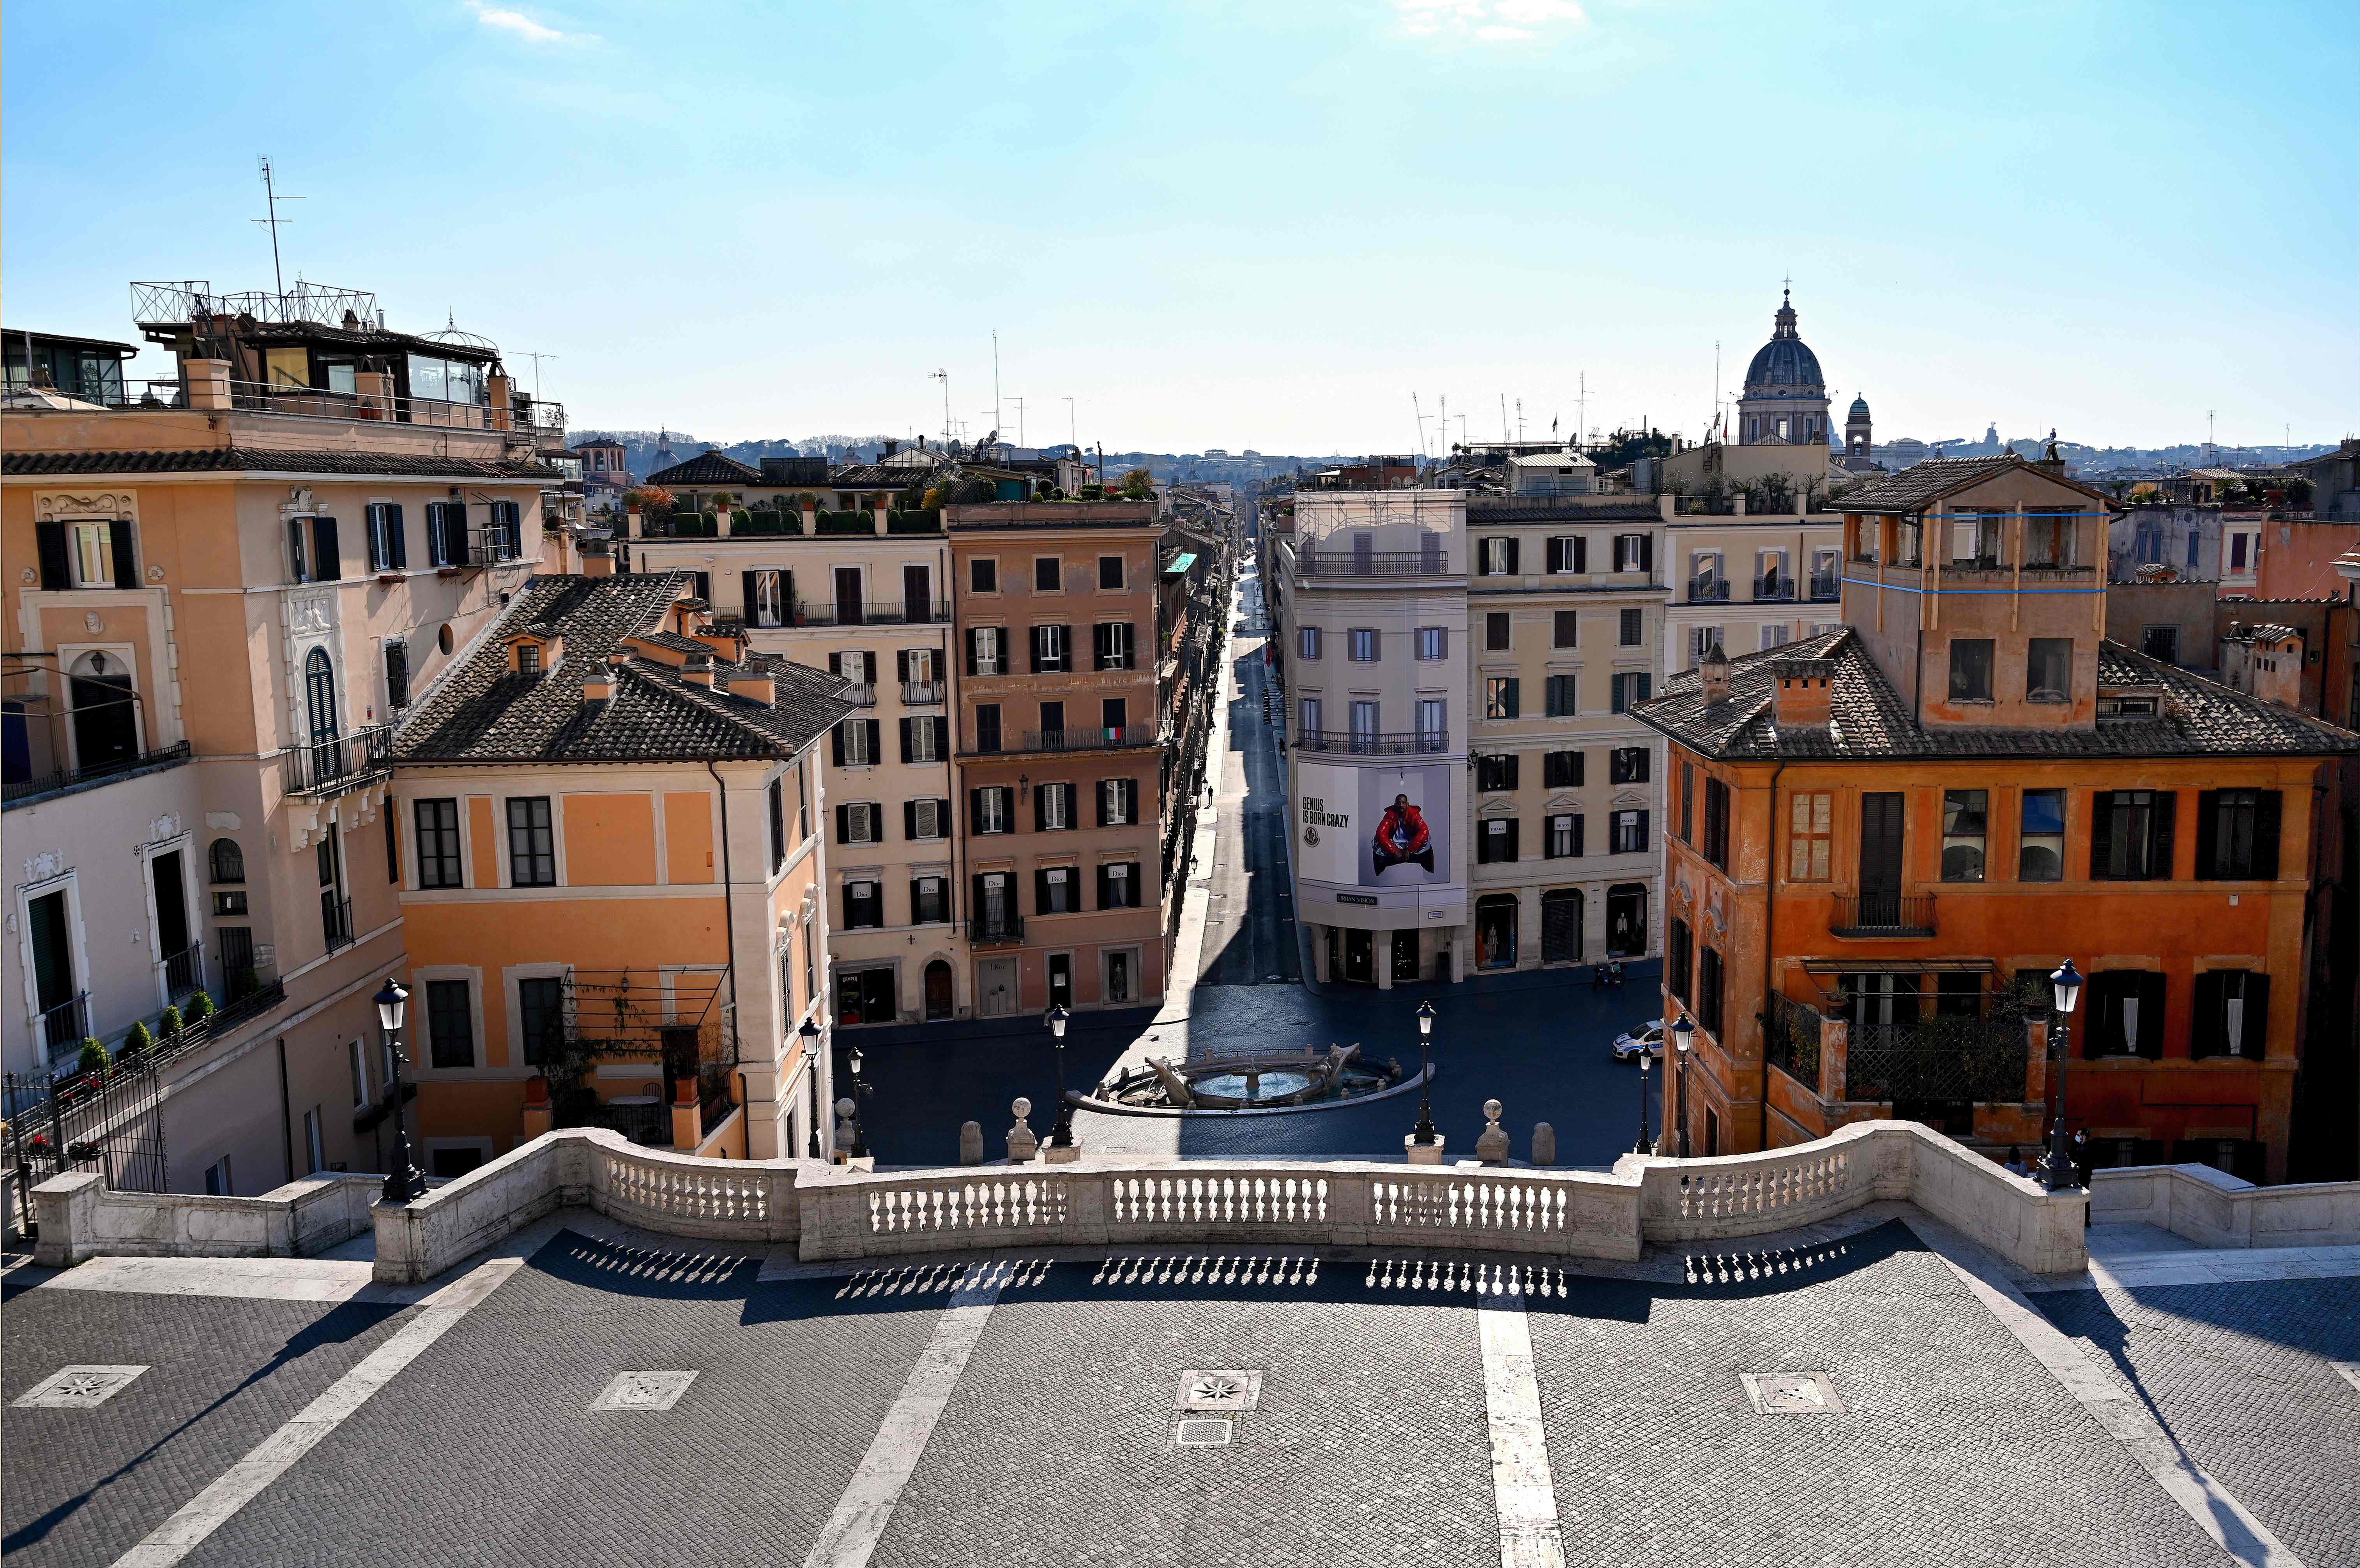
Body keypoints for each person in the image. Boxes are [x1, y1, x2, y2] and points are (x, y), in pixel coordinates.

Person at [1370, 792, 1434, 874]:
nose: (1401, 805)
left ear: (1407, 805)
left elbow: (1424, 831)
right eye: (1398, 803)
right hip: (1395, 844)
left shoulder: (1414, 815)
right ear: (1395, 805)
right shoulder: (1390, 815)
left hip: (1411, 843)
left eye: (1404, 803)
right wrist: (1395, 852)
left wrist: (1409, 850)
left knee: (1426, 839)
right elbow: (1381, 833)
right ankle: (1379, 872)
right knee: (1377, 841)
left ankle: (1430, 872)